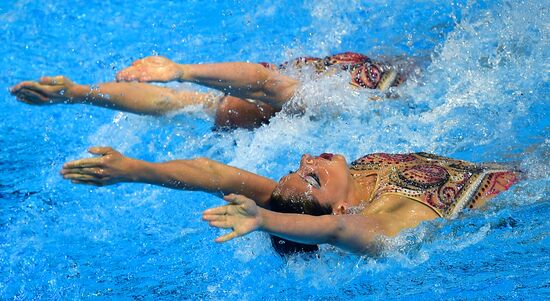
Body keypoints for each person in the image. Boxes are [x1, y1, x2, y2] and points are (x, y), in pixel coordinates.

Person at [60, 147, 518, 255]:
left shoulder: (340, 180)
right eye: (309, 179)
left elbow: (214, 173)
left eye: (300, 171)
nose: (306, 161)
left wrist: (138, 170)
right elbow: (336, 233)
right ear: (339, 207)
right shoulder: (395, 216)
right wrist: (260, 221)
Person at [10, 53, 411, 129]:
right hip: (390, 75)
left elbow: (260, 80)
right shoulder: (312, 103)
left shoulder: (285, 101)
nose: (224, 103)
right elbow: (169, 101)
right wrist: (78, 92)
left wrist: (181, 69)